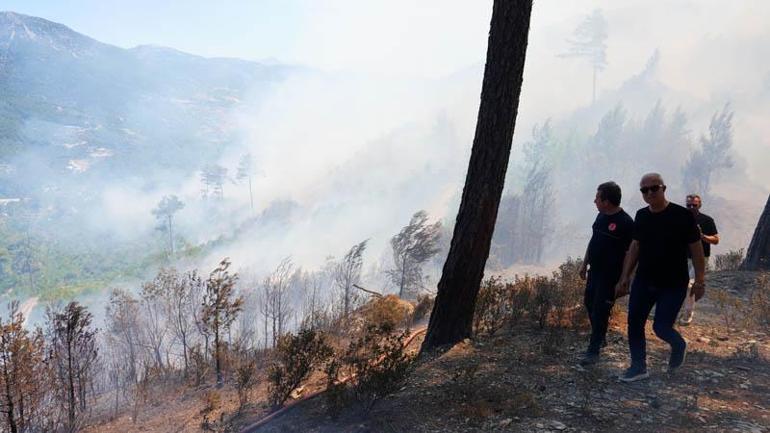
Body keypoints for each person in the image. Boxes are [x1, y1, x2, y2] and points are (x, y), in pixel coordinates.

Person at [614, 173, 706, 382]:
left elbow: (696, 249)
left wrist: (700, 280)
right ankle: (638, 367)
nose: (649, 193)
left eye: (653, 188)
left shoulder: (682, 216)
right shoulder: (641, 216)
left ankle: (678, 344)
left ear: (664, 188)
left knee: (661, 327)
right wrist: (624, 277)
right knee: (634, 322)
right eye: (644, 190)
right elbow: (635, 246)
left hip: (673, 284)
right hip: (644, 280)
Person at [578, 181, 633, 366]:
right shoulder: (600, 217)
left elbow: (631, 254)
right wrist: (584, 263)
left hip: (611, 276)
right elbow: (593, 241)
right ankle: (599, 337)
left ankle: (593, 352)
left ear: (607, 201)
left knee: (601, 310)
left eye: (597, 198)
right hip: (595, 271)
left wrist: (625, 279)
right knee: (589, 302)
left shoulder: (625, 223)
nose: (595, 201)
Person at [680, 194, 719, 325]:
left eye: (694, 205)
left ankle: (687, 315)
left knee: (690, 285)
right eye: (688, 205)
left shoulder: (707, 220)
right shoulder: (681, 219)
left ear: (699, 205)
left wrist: (702, 237)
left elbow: (716, 240)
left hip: (700, 259)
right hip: (683, 257)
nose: (691, 207)